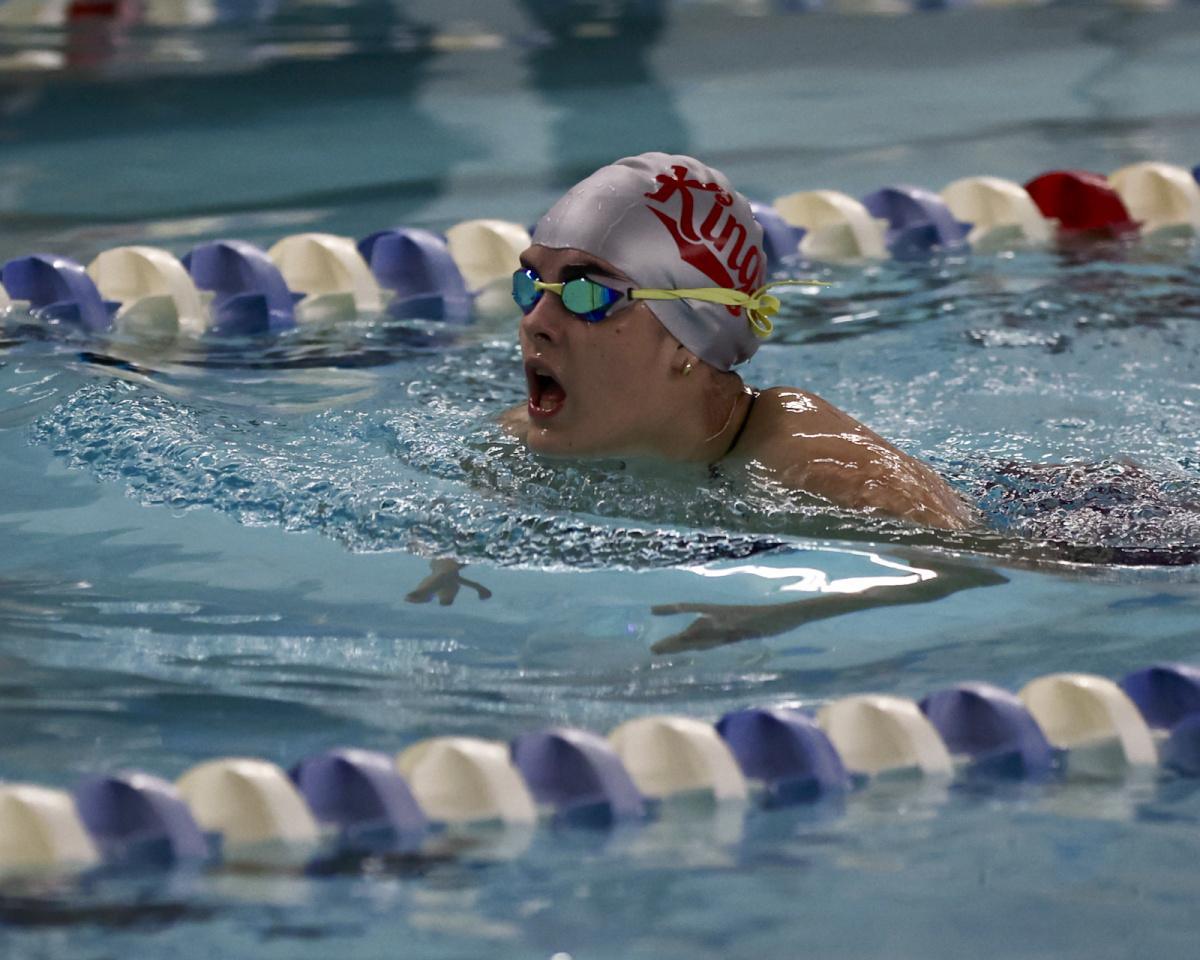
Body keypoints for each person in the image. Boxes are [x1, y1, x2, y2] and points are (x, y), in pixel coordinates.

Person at [501, 152, 977, 531]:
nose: (535, 323)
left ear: (688, 339)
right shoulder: (521, 438)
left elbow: (978, 567)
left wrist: (769, 615)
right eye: (530, 285)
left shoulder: (821, 462)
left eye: (587, 294)